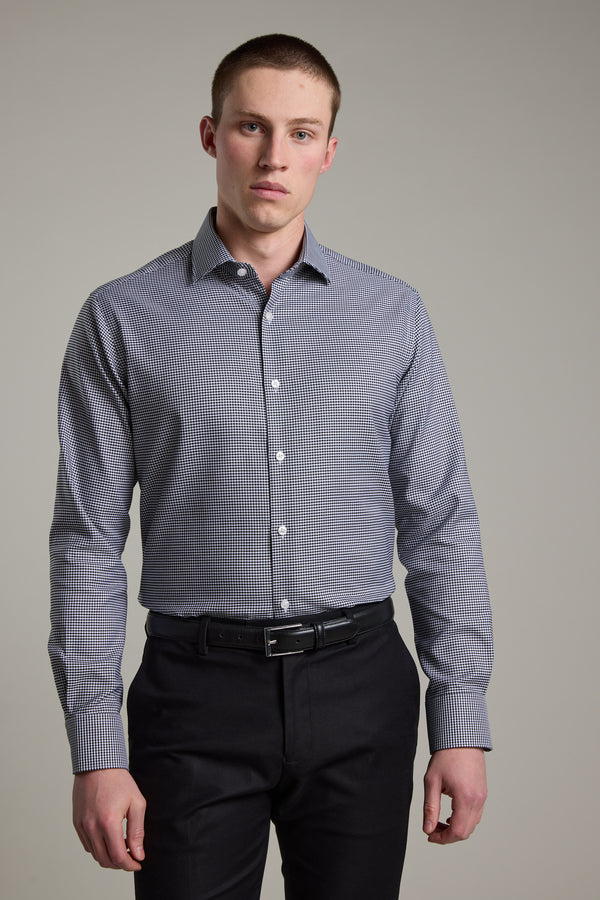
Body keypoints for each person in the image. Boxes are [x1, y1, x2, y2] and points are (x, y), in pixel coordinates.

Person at [49, 33, 493, 900]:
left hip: (361, 689)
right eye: (252, 126)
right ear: (212, 135)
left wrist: (461, 721)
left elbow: (440, 518)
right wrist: (98, 750)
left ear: (329, 150)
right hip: (194, 698)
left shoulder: (392, 315)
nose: (274, 156)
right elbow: (87, 541)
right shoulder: (121, 318)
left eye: (300, 132)